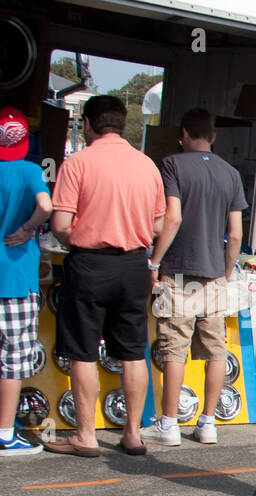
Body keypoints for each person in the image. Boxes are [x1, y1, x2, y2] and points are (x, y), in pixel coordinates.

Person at [48, 95, 165, 457]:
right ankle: (132, 434)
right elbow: (159, 223)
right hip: (133, 264)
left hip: (90, 263)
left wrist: (82, 235)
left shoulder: (78, 163)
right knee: (133, 351)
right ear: (121, 122)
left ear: (87, 123)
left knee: (82, 350)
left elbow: (61, 225)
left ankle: (85, 435)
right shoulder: (147, 165)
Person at [140, 107, 247, 447]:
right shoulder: (231, 174)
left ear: (183, 133)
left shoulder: (172, 164)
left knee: (175, 349)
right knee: (216, 350)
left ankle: (169, 424)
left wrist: (155, 261)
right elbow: (236, 235)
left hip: (179, 270)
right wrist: (226, 272)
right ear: (213, 136)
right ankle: (208, 423)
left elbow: (172, 219)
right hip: (215, 272)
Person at [0, 106, 52, 457]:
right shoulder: (30, 169)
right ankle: (5, 433)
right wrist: (27, 228)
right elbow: (46, 206)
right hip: (16, 277)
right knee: (13, 358)